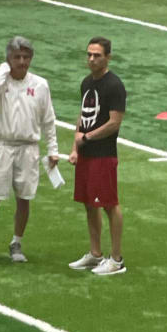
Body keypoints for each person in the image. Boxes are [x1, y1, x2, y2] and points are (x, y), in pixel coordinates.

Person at [0, 36, 59, 263]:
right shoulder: (1, 82)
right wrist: (4, 67)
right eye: (17, 57)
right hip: (1, 146)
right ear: (8, 58)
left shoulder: (40, 85)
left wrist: (52, 149)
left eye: (26, 57)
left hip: (28, 148)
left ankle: (16, 242)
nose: (22, 62)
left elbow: (48, 119)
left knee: (24, 197)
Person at [68, 37, 127, 275]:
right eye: (89, 55)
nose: (92, 59)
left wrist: (88, 138)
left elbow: (114, 123)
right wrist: (75, 147)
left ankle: (116, 259)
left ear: (108, 57)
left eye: (97, 55)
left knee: (109, 205)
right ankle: (95, 253)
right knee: (88, 204)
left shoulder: (114, 85)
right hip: (86, 153)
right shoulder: (86, 83)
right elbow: (82, 117)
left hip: (103, 154)